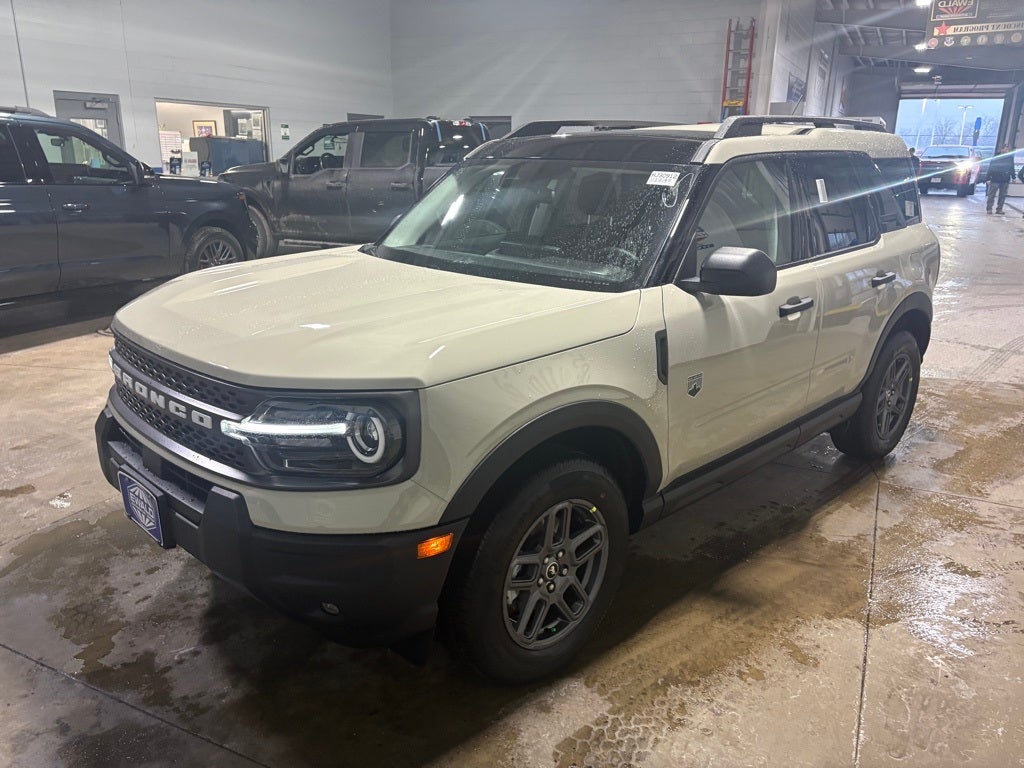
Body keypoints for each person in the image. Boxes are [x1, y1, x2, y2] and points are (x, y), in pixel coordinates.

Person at [985, 144, 1015, 215]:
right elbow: (990, 168)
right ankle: (989, 209)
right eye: (1005, 149)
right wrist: (988, 178)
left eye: (1008, 149)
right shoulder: (996, 157)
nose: (1007, 150)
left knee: (1002, 195)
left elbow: (1012, 168)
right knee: (992, 195)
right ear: (1002, 149)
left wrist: (1013, 177)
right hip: (995, 179)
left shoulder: (1010, 158)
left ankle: (999, 209)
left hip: (1005, 179)